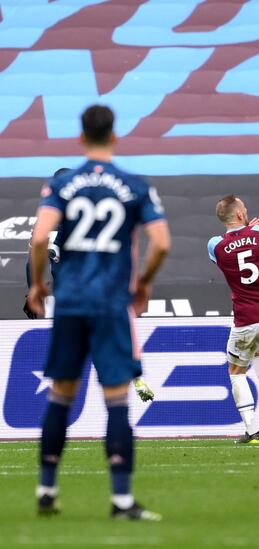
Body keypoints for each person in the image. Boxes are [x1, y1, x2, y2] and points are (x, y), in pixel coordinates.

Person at [28, 104, 170, 520]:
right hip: (110, 304)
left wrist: (38, 284)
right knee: (116, 401)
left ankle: (46, 489)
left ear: (80, 137)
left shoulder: (65, 183)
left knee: (60, 396)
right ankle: (122, 500)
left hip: (71, 302)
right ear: (114, 136)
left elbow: (39, 240)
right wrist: (144, 281)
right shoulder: (134, 184)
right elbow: (160, 242)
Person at [25, 168, 156, 403]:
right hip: (103, 294)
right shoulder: (96, 217)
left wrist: (32, 289)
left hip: (69, 301)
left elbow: (33, 257)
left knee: (65, 377)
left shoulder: (46, 223)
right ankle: (132, 378)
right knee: (111, 353)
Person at [207, 195, 259, 444]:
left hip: (247, 318)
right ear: (241, 215)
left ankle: (251, 431)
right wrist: (255, 231)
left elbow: (236, 250)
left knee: (236, 371)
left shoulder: (215, 245)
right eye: (245, 207)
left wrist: (246, 233)